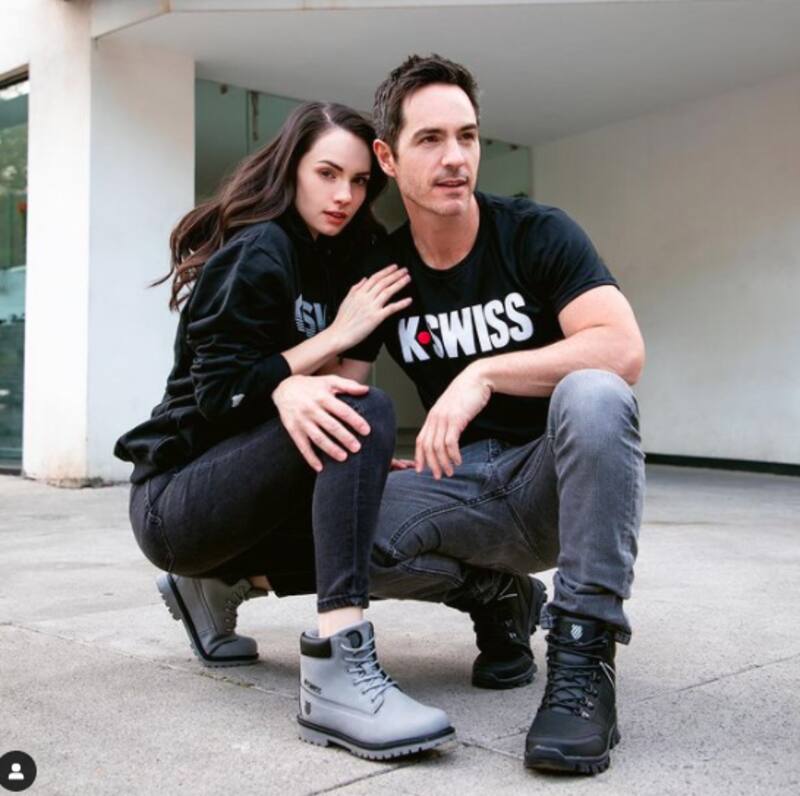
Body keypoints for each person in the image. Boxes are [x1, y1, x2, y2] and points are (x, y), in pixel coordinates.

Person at [330, 55, 646, 775]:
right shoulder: (383, 272)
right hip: (461, 483)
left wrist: (485, 372)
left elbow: (622, 348)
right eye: (430, 139)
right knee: (341, 520)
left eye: (467, 136)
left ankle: (583, 658)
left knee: (596, 393)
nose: (455, 157)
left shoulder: (535, 233)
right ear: (387, 157)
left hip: (552, 482)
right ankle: (498, 597)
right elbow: (344, 399)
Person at [114, 101, 455, 760]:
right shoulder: (259, 249)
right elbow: (220, 395)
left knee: (378, 507)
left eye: (359, 181)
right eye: (327, 173)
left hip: (250, 493)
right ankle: (337, 672)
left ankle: (215, 585)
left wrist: (361, 458)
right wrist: (332, 339)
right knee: (367, 414)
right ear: (292, 168)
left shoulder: (357, 264)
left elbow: (342, 391)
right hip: (175, 500)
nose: (344, 195)